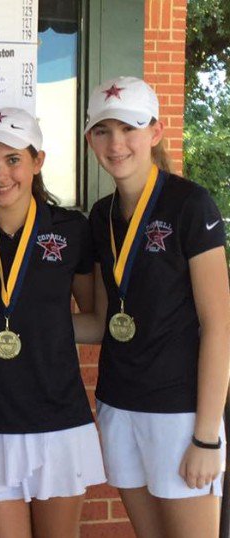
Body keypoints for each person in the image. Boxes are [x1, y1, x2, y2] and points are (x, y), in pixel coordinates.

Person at [80, 76, 230, 538]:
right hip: (119, 404)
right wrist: (22, 325)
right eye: (103, 130)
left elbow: (219, 326)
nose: (116, 143)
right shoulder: (100, 214)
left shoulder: (190, 204)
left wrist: (206, 434)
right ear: (90, 139)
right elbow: (103, 321)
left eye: (129, 128)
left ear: (155, 133)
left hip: (181, 412)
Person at [0, 108, 105, 538]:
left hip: (59, 415)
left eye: (13, 159)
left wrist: (40, 331)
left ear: (38, 162)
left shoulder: (72, 228)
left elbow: (94, 321)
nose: (1, 175)